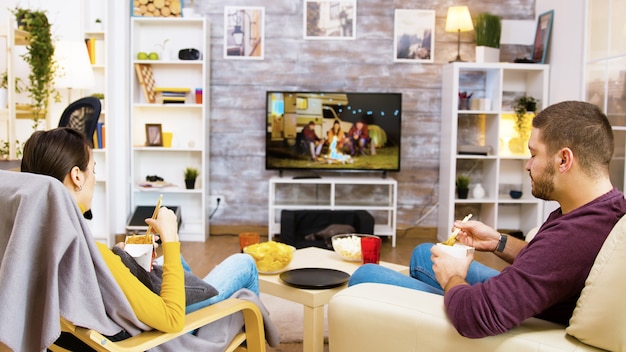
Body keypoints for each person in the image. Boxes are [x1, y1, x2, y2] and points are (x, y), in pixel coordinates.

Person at [349, 101, 626, 338]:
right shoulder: (603, 207)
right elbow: (549, 267)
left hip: (506, 318)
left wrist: (452, 276)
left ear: (564, 160)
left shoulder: (573, 236)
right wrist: (498, 242)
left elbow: (477, 316)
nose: (528, 165)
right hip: (536, 300)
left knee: (366, 275)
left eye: (533, 154)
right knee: (425, 254)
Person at [20, 127, 260, 333]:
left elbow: (102, 280)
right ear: (76, 177)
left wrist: (119, 257)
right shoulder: (93, 256)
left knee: (177, 265)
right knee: (244, 263)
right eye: (92, 170)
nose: (93, 177)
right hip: (159, 334)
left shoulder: (35, 245)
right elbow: (172, 319)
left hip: (124, 314)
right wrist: (171, 237)